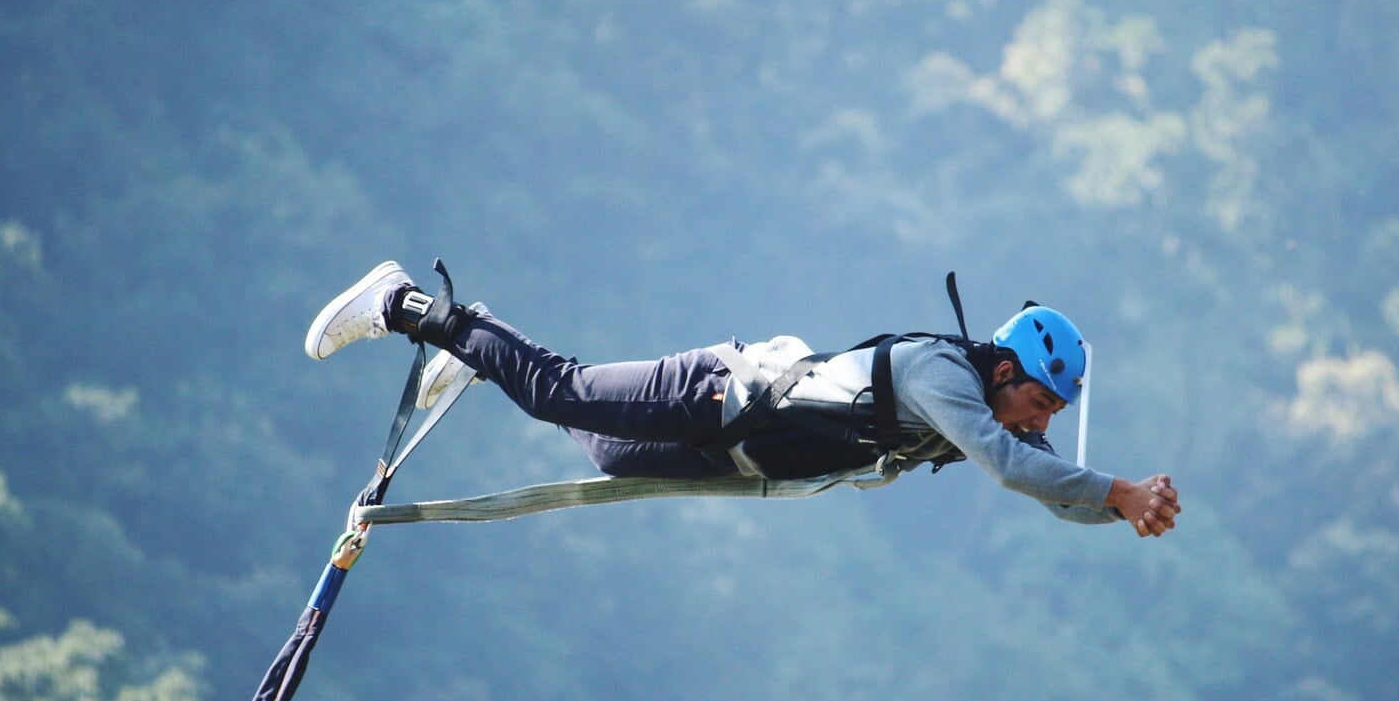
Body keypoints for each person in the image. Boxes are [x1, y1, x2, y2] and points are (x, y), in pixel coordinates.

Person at [305, 261, 1181, 538]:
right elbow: (1016, 468)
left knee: (603, 453)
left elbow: (1046, 482)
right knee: (557, 393)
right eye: (1042, 404)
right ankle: (410, 305)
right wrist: (1118, 491)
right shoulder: (944, 379)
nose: (1042, 423)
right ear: (1005, 372)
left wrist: (1122, 508)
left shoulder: (986, 412)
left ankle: (479, 349)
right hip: (716, 395)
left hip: (735, 450)